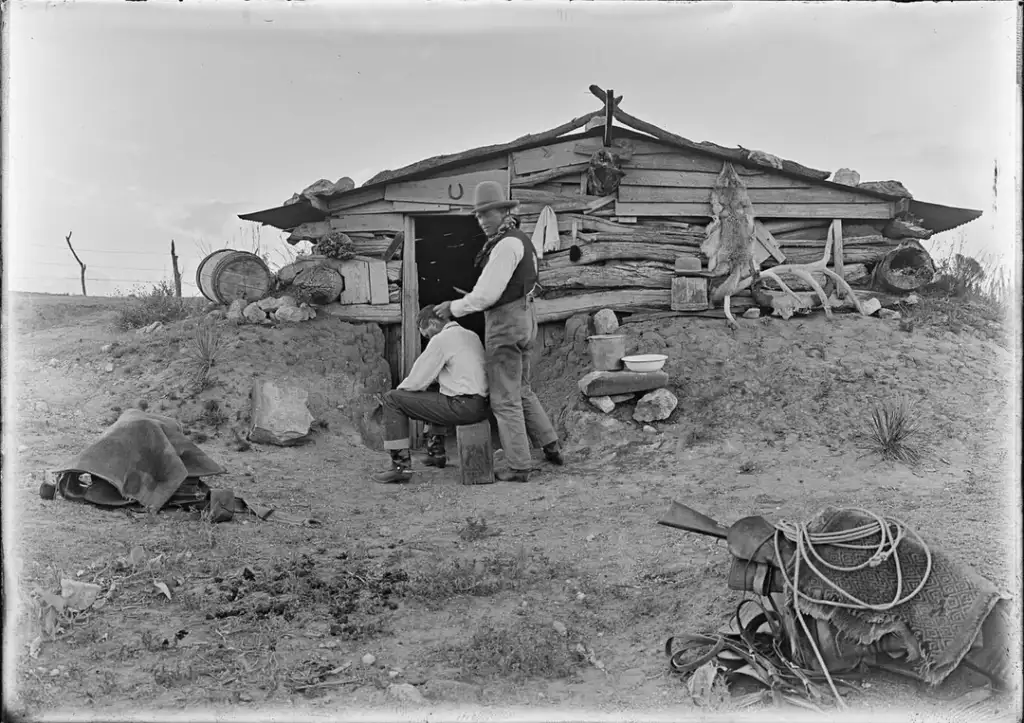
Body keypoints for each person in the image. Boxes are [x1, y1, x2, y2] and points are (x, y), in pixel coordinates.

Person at [434, 181, 564, 483]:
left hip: (505, 323)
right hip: (524, 317)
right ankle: (550, 444)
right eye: (478, 216)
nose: (481, 221)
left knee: (504, 398)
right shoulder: (522, 241)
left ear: (505, 211)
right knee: (521, 389)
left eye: (487, 214)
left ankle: (519, 465)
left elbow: (486, 296)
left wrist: (453, 308)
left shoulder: (505, 246)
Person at [373, 306, 490, 484]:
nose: (428, 339)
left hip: (463, 406)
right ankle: (436, 454)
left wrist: (401, 394)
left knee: (392, 399)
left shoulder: (442, 339)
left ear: (434, 323)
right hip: (481, 405)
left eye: (427, 335)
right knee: (435, 392)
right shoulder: (470, 335)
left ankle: (400, 467)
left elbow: (417, 380)